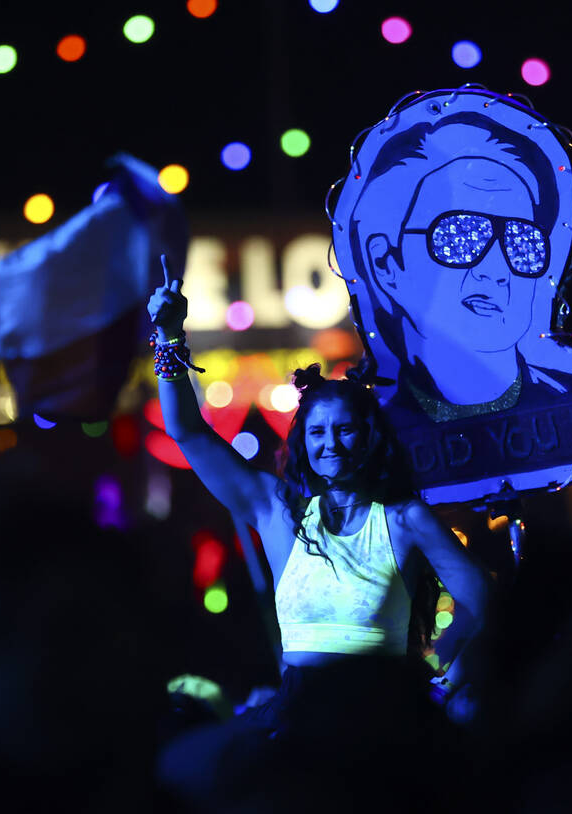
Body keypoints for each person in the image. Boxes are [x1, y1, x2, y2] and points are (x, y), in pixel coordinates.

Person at [150, 256, 490, 803]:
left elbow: (480, 599)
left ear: (369, 437)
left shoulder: (404, 519)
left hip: (380, 723)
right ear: (303, 441)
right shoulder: (279, 512)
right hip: (296, 712)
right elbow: (187, 433)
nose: (331, 443)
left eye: (346, 430)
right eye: (318, 432)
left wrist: (432, 673)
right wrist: (169, 337)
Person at [337, 105, 572, 422]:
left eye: (522, 242)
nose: (495, 270)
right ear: (386, 262)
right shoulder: (357, 433)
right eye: (460, 236)